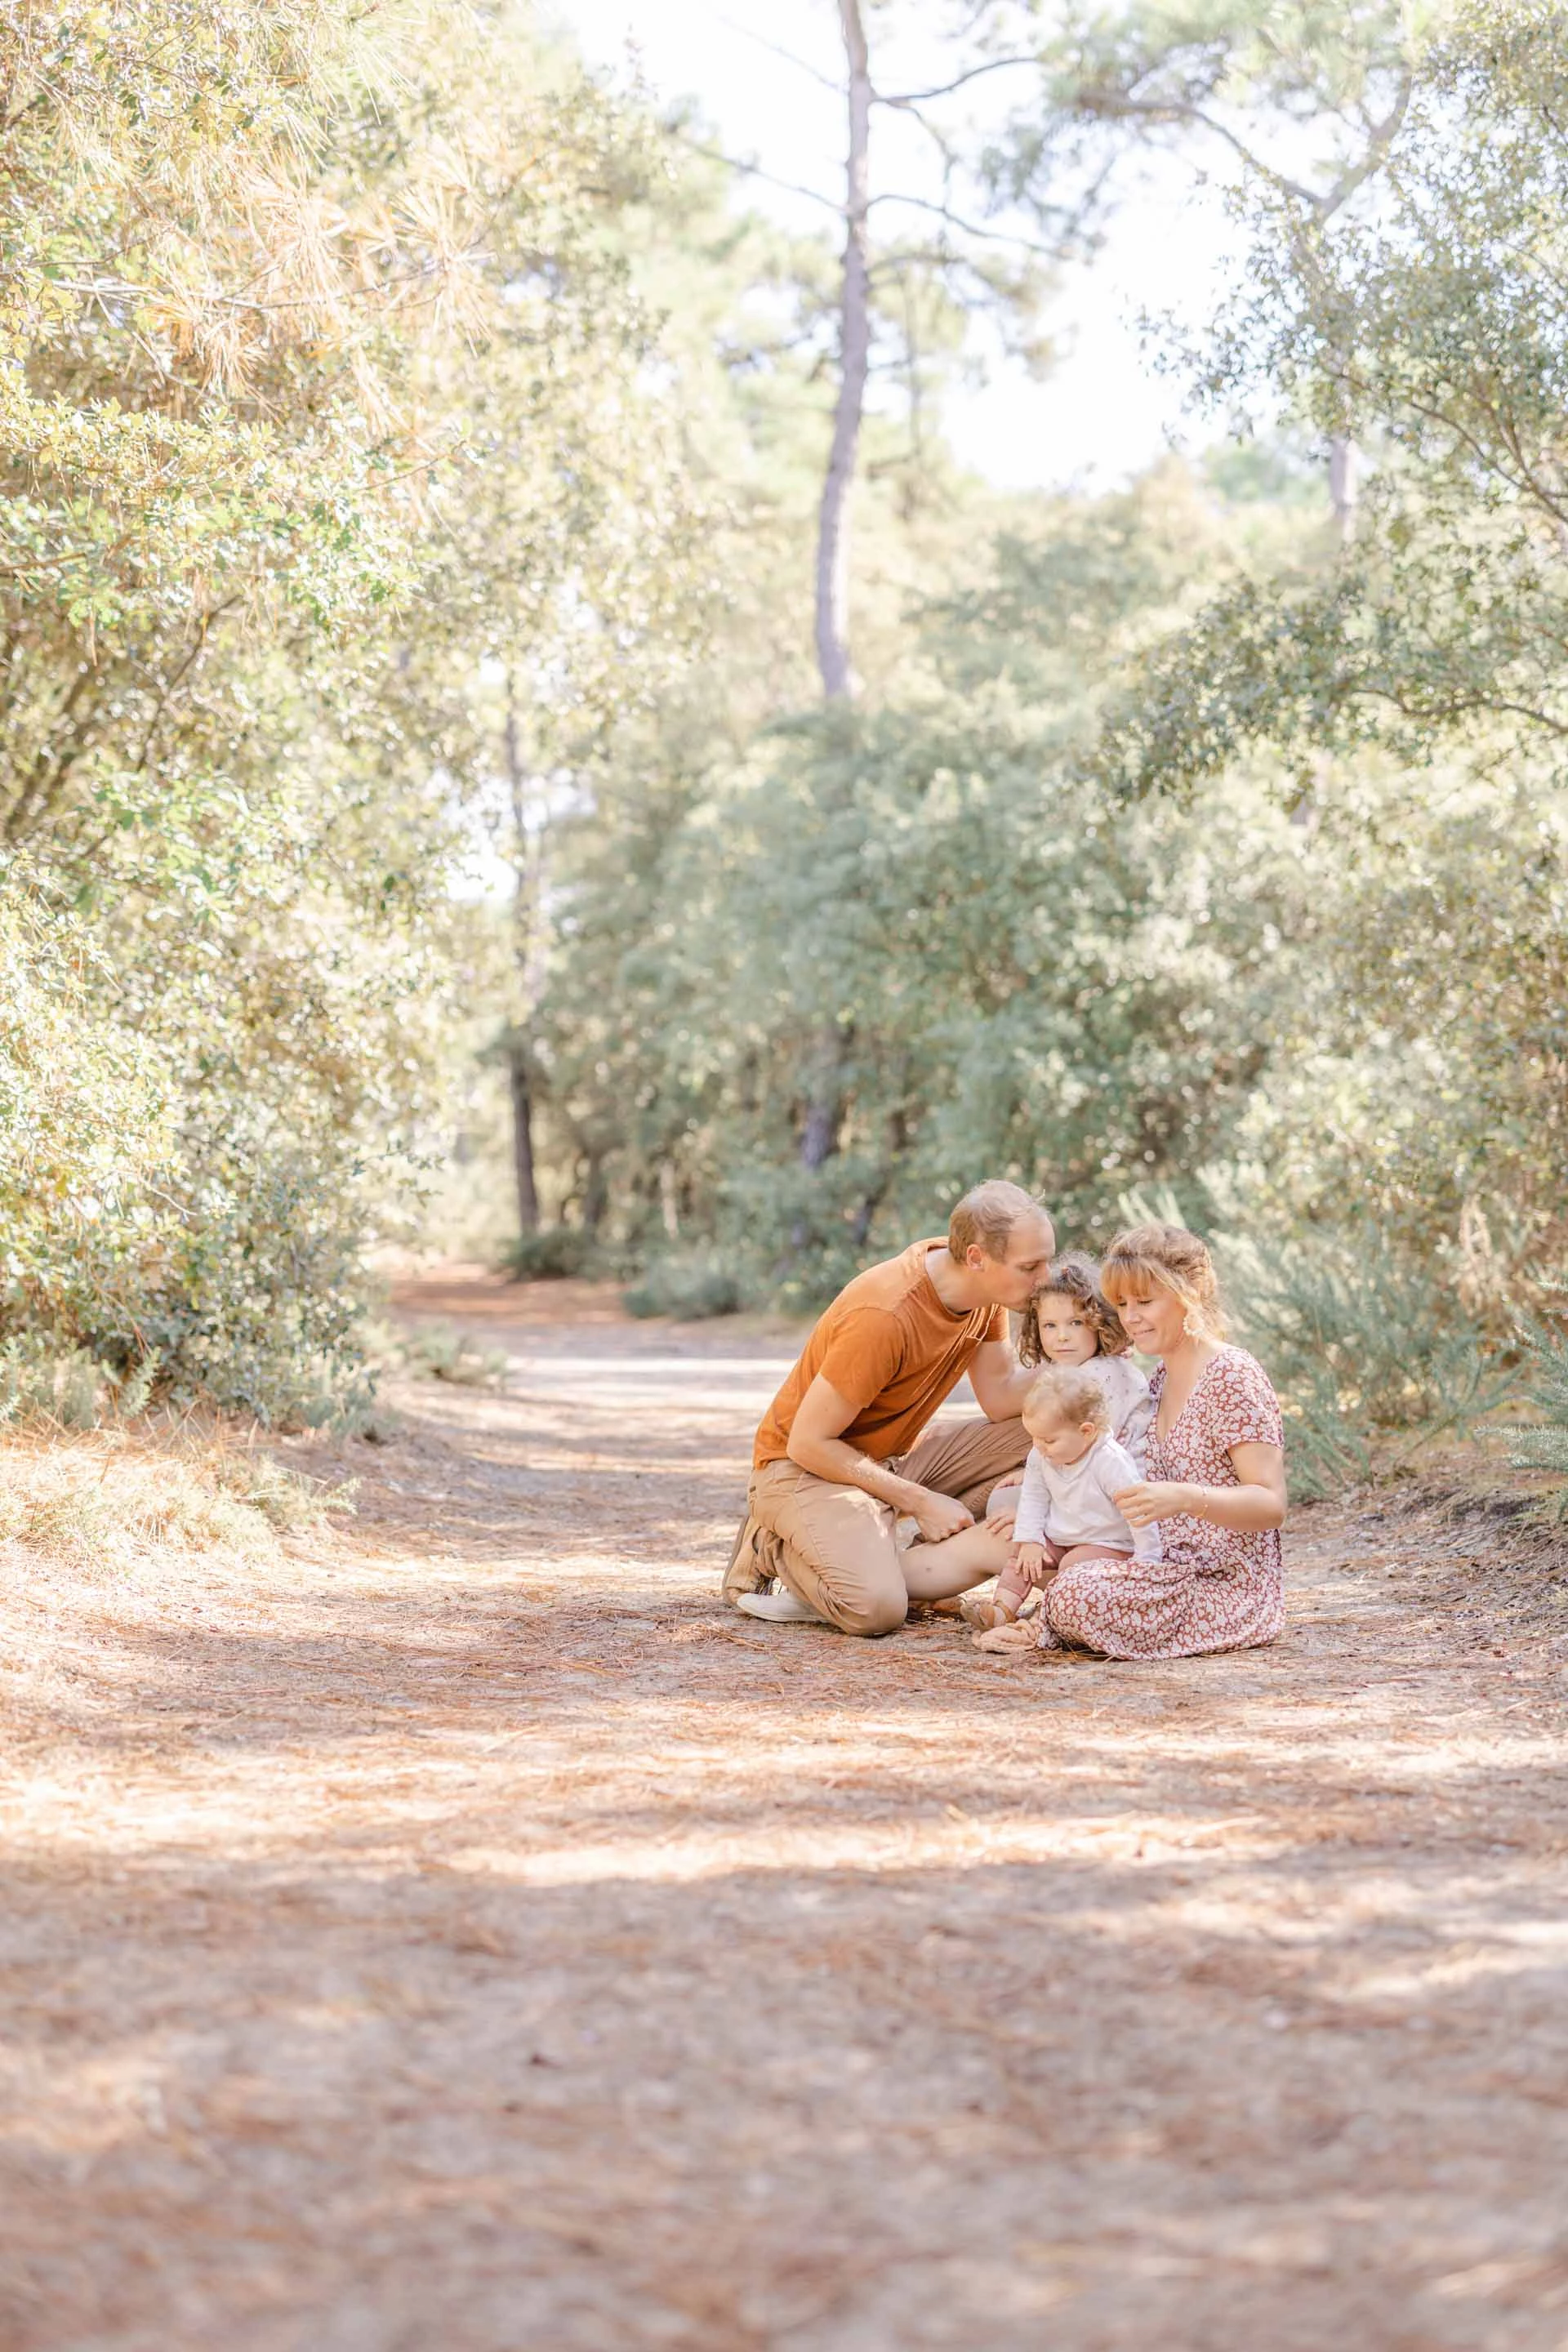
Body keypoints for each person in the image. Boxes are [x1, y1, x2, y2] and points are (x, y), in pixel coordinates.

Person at [723, 1181, 1056, 1637]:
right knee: (876, 1609)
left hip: (886, 1463)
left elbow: (1000, 1397)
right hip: (801, 1468)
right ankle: (771, 1544)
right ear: (977, 1257)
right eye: (1031, 1266)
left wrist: (1090, 1364)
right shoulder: (885, 1315)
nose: (1046, 1278)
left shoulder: (984, 1295)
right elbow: (807, 1443)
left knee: (1049, 1423)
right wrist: (919, 1501)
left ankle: (894, 1561)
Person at [1034, 1223, 1287, 1659]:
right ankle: (1039, 1620)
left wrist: (1185, 1498)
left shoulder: (1231, 1375)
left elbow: (1271, 1505)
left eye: (1145, 1302)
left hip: (1225, 1588)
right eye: (1122, 1303)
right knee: (1057, 1568)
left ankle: (1044, 1623)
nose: (1130, 1317)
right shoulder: (1160, 1378)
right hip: (1160, 1568)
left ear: (1190, 1292)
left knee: (1076, 1590)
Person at [959, 1364, 1160, 1636]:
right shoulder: (1041, 1455)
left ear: (1087, 1431)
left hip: (1107, 1542)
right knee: (1022, 1557)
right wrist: (1031, 1539)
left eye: (1049, 1440)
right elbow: (1033, 1497)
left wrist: (1148, 1559)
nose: (1039, 1447)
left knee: (1071, 1567)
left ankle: (1045, 1617)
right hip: (1062, 1533)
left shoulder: (1110, 1461)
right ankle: (1001, 1609)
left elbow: (1138, 1509)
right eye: (1033, 1438)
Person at [1015, 1251, 1154, 1459]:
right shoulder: (1066, 1371)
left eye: (1076, 1323)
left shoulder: (1105, 1372)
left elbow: (1088, 1446)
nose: (1062, 1336)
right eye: (1050, 1325)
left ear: (1100, 1323)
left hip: (1122, 1477)